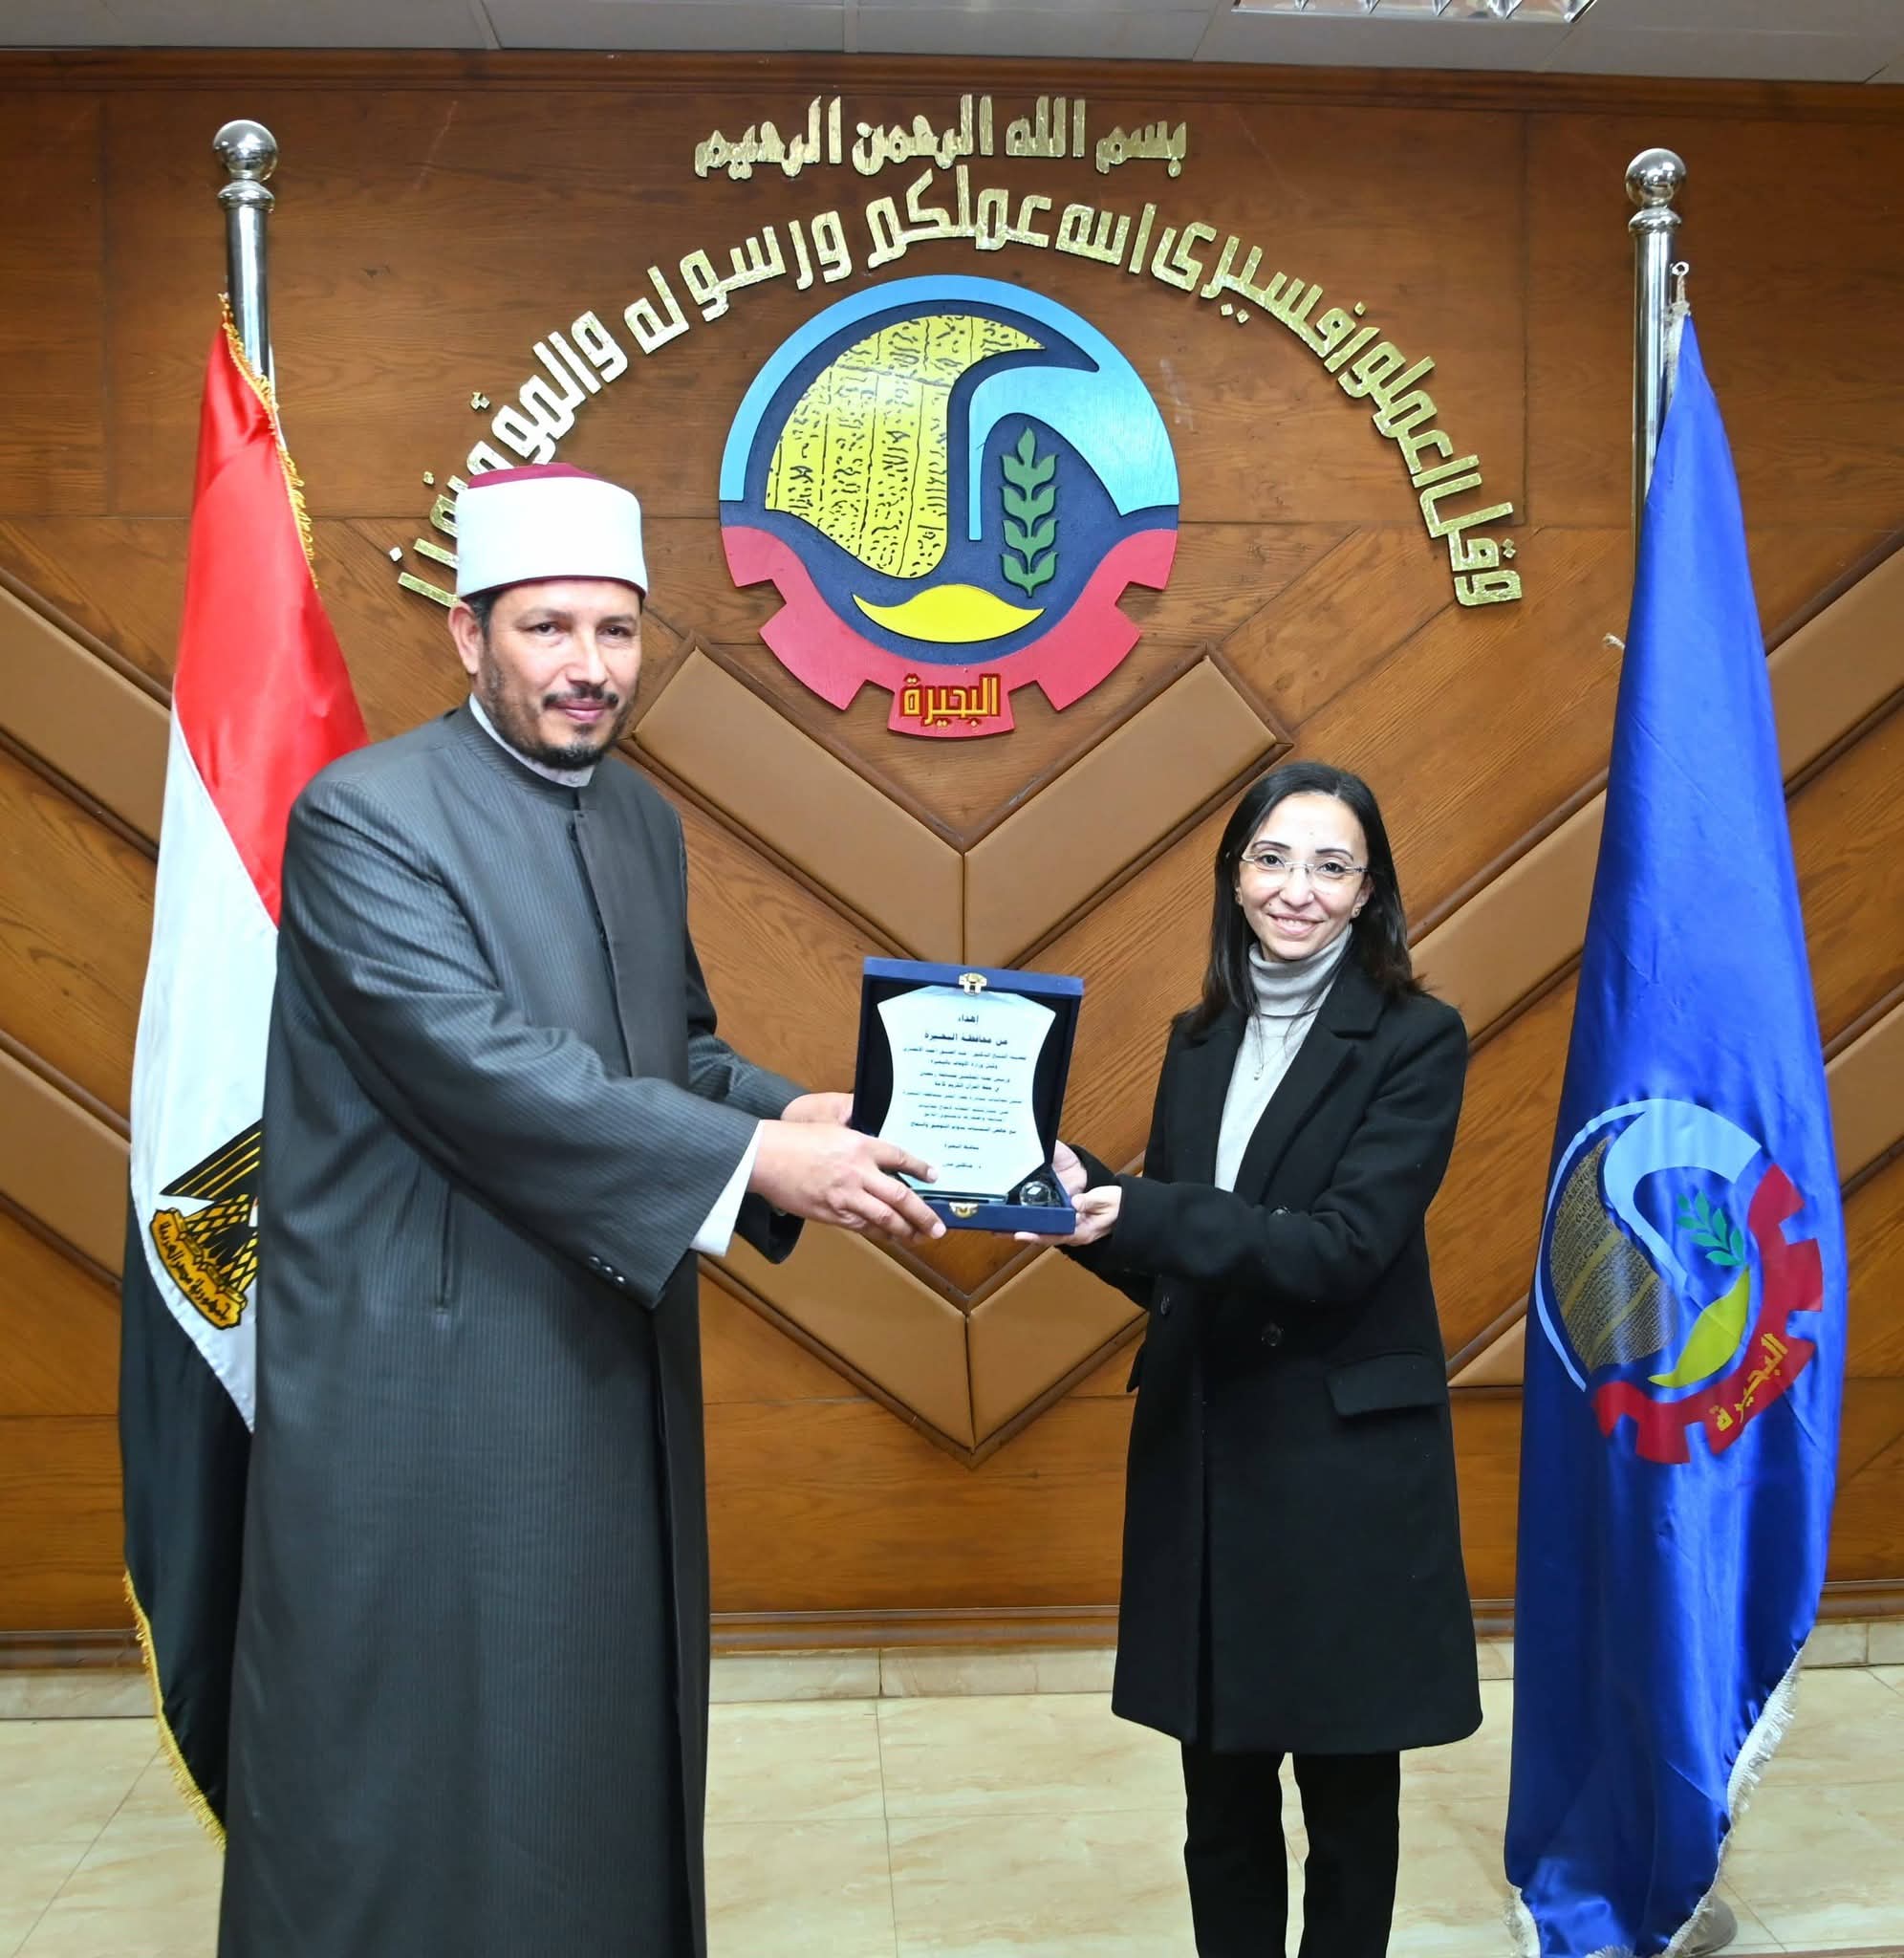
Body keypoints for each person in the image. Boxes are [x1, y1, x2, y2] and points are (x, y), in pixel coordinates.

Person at [217, 462, 943, 1958]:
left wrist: (793, 1114)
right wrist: (754, 1165)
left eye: (616, 631)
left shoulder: (636, 818)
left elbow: (668, 1051)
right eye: (547, 629)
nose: (588, 667)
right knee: (440, 1760)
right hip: (437, 1383)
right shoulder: (364, 817)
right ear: (467, 635)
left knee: (594, 1739)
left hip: (600, 1347)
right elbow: (486, 1069)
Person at [1034, 759, 1481, 1958]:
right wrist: (1077, 1207)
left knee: (1348, 1802)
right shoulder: (1200, 1038)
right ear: (1234, 876)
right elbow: (1191, 1263)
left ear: (1369, 890)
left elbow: (1341, 1247)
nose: (1298, 888)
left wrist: (1139, 1207)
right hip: (1210, 1457)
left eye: (1332, 865)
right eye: (1273, 858)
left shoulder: (1417, 1038)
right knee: (1220, 1807)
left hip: (1339, 1471)